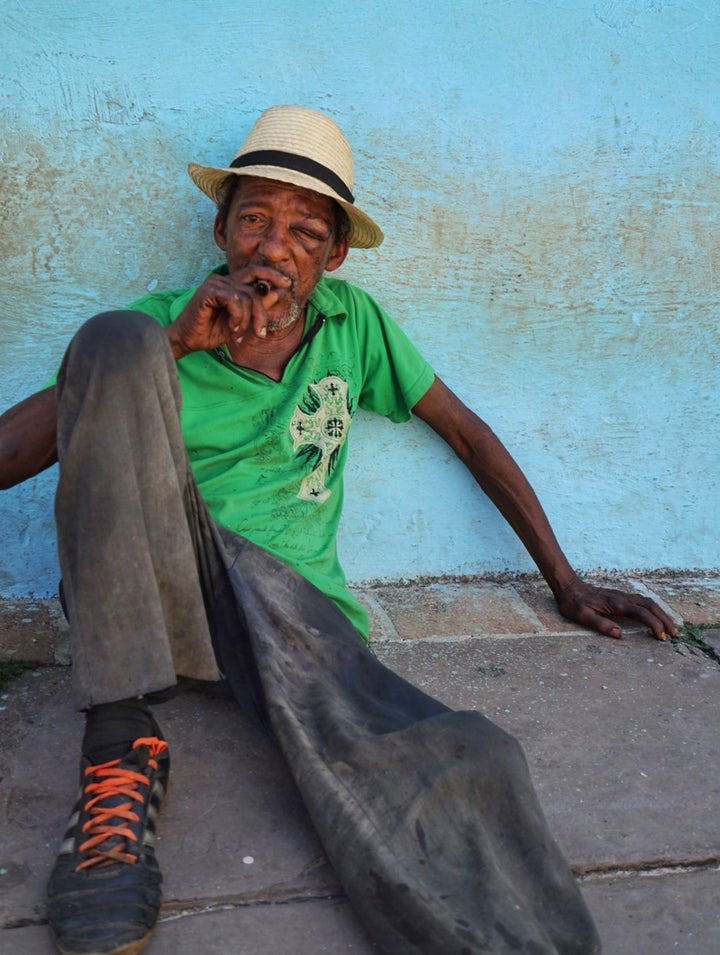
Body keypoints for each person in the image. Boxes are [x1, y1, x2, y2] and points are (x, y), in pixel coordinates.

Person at [0, 105, 676, 955]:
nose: (272, 248)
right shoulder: (163, 321)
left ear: (335, 254)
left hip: (298, 629)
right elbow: (18, 444)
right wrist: (171, 345)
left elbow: (467, 432)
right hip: (165, 607)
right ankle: (117, 755)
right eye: (253, 219)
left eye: (303, 231)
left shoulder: (355, 327)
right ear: (221, 229)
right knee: (112, 338)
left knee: (472, 754)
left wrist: (565, 579)